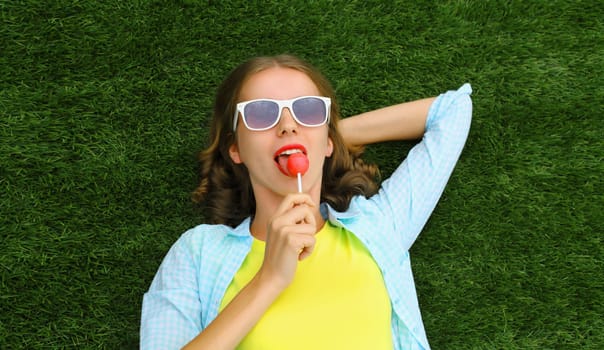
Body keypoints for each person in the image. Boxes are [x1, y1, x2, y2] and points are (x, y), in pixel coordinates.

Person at [140, 54, 472, 350]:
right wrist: (269, 279)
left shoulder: (379, 225)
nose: (287, 125)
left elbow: (452, 110)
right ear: (235, 149)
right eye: (260, 114)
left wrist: (325, 137)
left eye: (309, 110)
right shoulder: (197, 253)